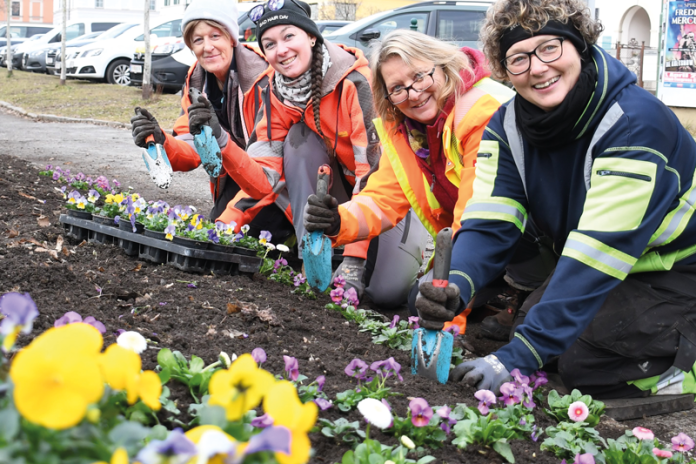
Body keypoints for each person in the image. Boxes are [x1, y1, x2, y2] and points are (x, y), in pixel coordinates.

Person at [416, 0, 696, 399]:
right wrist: (453, 287)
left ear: (579, 45)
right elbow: (491, 223)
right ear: (505, 71)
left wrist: (515, 358)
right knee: (537, 339)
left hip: (674, 268)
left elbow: (598, 255)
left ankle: (685, 368)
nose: (538, 68)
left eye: (550, 48)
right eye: (518, 58)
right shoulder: (508, 124)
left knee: (583, 363)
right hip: (613, 263)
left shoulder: (634, 125)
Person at [303, 29, 549, 314]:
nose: (414, 93)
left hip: (531, 235)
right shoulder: (406, 131)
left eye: (419, 76)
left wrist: (454, 312)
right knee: (418, 301)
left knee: (439, 303)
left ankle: (526, 288)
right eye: (397, 88)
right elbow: (382, 200)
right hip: (477, 237)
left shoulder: (480, 111)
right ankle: (502, 289)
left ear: (443, 65)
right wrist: (337, 220)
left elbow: (479, 216)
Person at [186, 0, 390, 298]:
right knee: (300, 141)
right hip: (328, 205)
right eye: (269, 43)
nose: (280, 50)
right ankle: (313, 254)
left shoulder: (355, 83)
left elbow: (371, 172)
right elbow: (263, 179)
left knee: (387, 293)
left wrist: (354, 261)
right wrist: (222, 225)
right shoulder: (275, 92)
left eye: (288, 36)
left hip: (379, 198)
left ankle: (352, 257)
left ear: (311, 36)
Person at [129, 0, 288, 239]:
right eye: (198, 40)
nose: (208, 47)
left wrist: (225, 223)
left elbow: (268, 175)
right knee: (222, 235)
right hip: (239, 176)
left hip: (277, 182)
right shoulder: (197, 80)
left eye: (215, 35)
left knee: (243, 237)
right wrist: (162, 140)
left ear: (232, 38)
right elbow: (192, 149)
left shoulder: (264, 80)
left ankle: (292, 231)